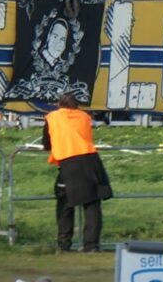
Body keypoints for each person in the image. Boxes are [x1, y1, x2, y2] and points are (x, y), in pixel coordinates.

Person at [43, 93, 112, 252]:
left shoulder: (52, 117)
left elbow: (47, 142)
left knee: (65, 203)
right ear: (76, 106)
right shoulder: (84, 117)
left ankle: (64, 244)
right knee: (92, 204)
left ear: (59, 105)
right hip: (91, 160)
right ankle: (92, 245)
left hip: (69, 161)